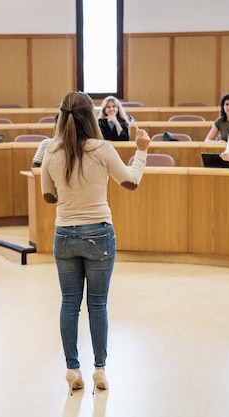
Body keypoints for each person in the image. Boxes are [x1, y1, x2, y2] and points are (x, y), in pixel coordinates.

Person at [41, 91, 150, 395]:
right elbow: (130, 181)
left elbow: (48, 196)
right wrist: (141, 150)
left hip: (64, 234)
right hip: (99, 233)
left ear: (61, 116)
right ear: (91, 116)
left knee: (69, 304)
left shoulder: (51, 150)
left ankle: (72, 368)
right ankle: (99, 369)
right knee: (98, 304)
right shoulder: (102, 148)